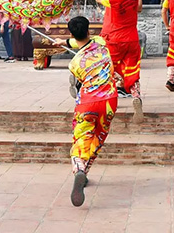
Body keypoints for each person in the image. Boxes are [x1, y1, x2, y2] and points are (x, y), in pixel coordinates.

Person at [53, 16, 117, 207]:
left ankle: (79, 169)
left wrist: (62, 42)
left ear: (71, 34)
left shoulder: (74, 63)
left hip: (87, 103)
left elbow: (76, 86)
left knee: (81, 138)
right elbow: (83, 41)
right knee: (98, 137)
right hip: (109, 101)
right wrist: (65, 42)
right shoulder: (101, 44)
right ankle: (85, 173)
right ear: (89, 30)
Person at [95, 0, 144, 122]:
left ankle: (107, 99)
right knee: (132, 69)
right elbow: (139, 8)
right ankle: (135, 95)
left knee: (109, 69)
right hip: (131, 38)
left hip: (115, 39)